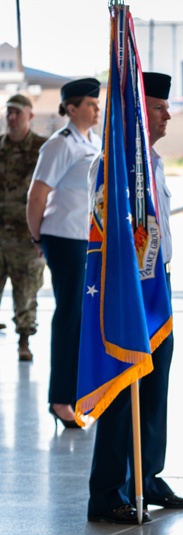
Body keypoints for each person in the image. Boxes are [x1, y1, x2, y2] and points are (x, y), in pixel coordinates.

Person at [86, 72, 183, 526]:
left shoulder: (152, 161)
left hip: (159, 285)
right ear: (137, 114)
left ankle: (146, 477)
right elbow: (103, 230)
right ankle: (107, 492)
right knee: (122, 386)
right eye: (158, 107)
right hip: (126, 290)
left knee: (154, 388)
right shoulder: (112, 165)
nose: (168, 114)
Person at [26, 78, 102, 429]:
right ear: (71, 108)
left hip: (86, 239)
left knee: (85, 316)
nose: (96, 108)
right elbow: (37, 196)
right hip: (63, 237)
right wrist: (38, 237)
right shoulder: (60, 145)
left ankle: (79, 392)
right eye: (89, 103)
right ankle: (60, 399)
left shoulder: (93, 141)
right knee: (70, 314)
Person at [0, 93, 47, 361]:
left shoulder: (42, 149)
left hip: (26, 238)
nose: (12, 117)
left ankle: (24, 341)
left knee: (27, 293)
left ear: (30, 115)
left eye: (17, 112)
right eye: (9, 112)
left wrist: (42, 235)